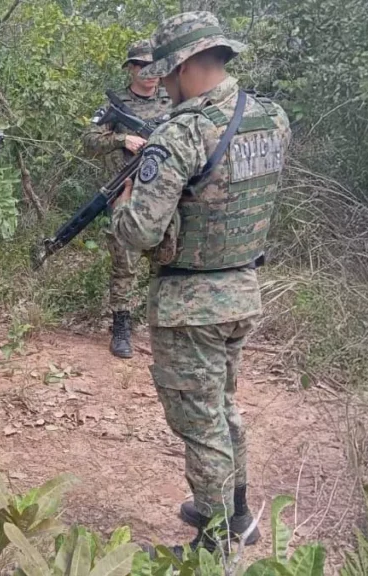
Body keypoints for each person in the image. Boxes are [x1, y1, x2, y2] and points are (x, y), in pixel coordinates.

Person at [109, 12, 291, 553]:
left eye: (166, 74)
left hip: (192, 303)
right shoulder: (271, 117)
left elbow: (139, 230)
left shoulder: (183, 132)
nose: (162, 84)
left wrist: (122, 207)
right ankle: (236, 513)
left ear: (187, 67)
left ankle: (213, 546)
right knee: (224, 404)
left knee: (200, 419)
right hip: (242, 289)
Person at [81, 40, 172, 359]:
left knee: (168, 261)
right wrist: (124, 139)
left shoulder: (174, 99)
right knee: (125, 263)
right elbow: (89, 139)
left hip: (166, 193)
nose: (149, 74)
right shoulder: (115, 103)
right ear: (131, 69)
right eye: (142, 67)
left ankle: (166, 327)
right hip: (126, 192)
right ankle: (122, 326)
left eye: (155, 68)